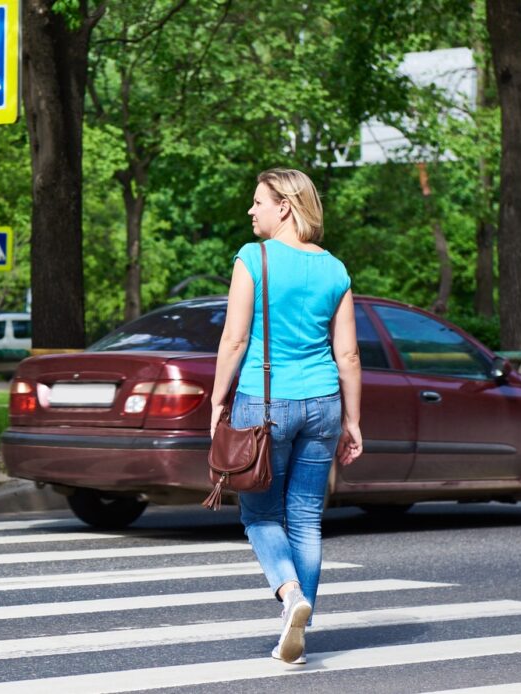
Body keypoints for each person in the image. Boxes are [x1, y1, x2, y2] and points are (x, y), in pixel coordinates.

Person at [210, 168, 363, 665]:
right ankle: (298, 625)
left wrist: (217, 400)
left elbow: (233, 340)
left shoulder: (253, 259)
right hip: (323, 405)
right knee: (306, 519)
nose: (251, 211)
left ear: (285, 207)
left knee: (258, 515)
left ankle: (290, 593)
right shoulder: (336, 269)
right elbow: (350, 356)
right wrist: (353, 421)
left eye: (258, 202)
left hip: (264, 404)